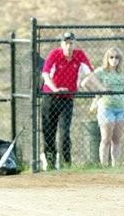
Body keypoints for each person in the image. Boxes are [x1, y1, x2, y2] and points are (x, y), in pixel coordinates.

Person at [40, 32, 108, 171]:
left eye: (71, 43)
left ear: (74, 44)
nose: (69, 46)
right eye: (66, 43)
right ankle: (51, 164)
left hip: (67, 100)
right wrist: (55, 89)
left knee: (65, 133)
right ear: (61, 44)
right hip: (50, 98)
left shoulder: (79, 55)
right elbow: (45, 74)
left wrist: (102, 89)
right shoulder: (54, 54)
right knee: (49, 133)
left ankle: (67, 165)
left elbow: (90, 73)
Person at [82, 48, 124, 167]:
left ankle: (116, 166)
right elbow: (85, 83)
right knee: (106, 138)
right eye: (111, 57)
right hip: (106, 108)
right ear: (107, 58)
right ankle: (104, 166)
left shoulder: (122, 73)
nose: (114, 60)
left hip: (121, 109)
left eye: (117, 57)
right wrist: (97, 94)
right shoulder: (101, 71)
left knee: (117, 139)